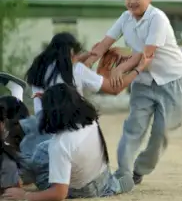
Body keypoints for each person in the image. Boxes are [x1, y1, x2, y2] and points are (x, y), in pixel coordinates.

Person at [89, 0, 182, 187]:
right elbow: (104, 44)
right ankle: (123, 173)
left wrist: (120, 69)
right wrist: (85, 63)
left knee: (161, 133)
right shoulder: (125, 18)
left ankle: (139, 169)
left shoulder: (158, 18)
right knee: (133, 128)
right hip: (143, 82)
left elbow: (147, 53)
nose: (132, 2)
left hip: (171, 80)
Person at [20, 32, 150, 191]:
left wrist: (86, 57)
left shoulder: (39, 69)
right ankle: (110, 184)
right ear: (71, 53)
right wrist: (138, 69)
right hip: (71, 128)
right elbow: (114, 89)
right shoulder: (77, 70)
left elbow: (66, 68)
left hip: (43, 130)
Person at [2, 84, 131, 201]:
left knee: (37, 156)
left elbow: (59, 193)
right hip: (102, 176)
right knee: (44, 147)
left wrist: (25, 195)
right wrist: (49, 98)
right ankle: (112, 186)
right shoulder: (89, 119)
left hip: (82, 190)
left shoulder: (61, 145)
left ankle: (16, 176)